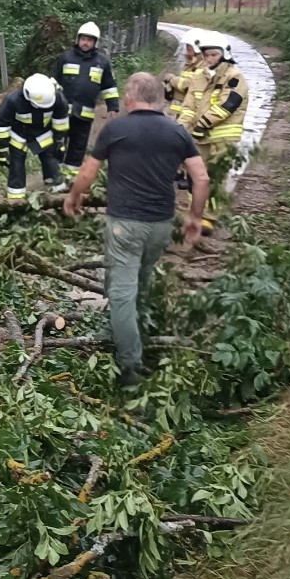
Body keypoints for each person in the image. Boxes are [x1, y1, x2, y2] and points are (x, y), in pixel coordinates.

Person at [63, 72, 209, 387]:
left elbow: (88, 171)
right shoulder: (177, 131)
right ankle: (136, 328)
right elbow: (201, 178)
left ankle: (129, 365)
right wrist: (194, 218)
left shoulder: (115, 128)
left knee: (120, 291)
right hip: (160, 225)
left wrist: (74, 197)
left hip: (125, 225)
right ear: (159, 99)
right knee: (140, 280)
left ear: (129, 99)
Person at [177, 31, 248, 233]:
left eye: (214, 55)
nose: (209, 59)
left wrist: (202, 125)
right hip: (199, 136)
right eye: (207, 55)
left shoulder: (235, 78)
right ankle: (195, 211)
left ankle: (209, 217)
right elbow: (189, 106)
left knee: (215, 176)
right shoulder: (198, 77)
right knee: (194, 175)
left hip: (222, 136)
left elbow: (227, 106)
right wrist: (181, 128)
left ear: (224, 54)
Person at [50, 22, 120, 186]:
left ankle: (71, 180)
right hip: (62, 113)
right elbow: (53, 82)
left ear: (95, 42)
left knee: (78, 147)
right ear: (78, 39)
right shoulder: (65, 58)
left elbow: (109, 87)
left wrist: (113, 106)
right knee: (57, 144)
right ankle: (55, 179)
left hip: (84, 115)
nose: (86, 43)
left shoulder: (102, 63)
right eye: (83, 39)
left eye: (89, 40)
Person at [0, 74, 70, 199]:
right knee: (16, 165)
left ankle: (58, 192)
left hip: (44, 134)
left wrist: (60, 141)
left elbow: (60, 121)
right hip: (18, 135)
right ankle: (15, 197)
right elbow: (1, 124)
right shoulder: (13, 100)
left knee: (50, 160)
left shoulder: (57, 99)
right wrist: (3, 150)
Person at [163, 29, 205, 120]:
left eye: (189, 49)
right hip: (181, 114)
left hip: (193, 115)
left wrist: (172, 79)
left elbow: (189, 85)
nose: (186, 53)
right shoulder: (188, 66)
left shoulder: (204, 67)